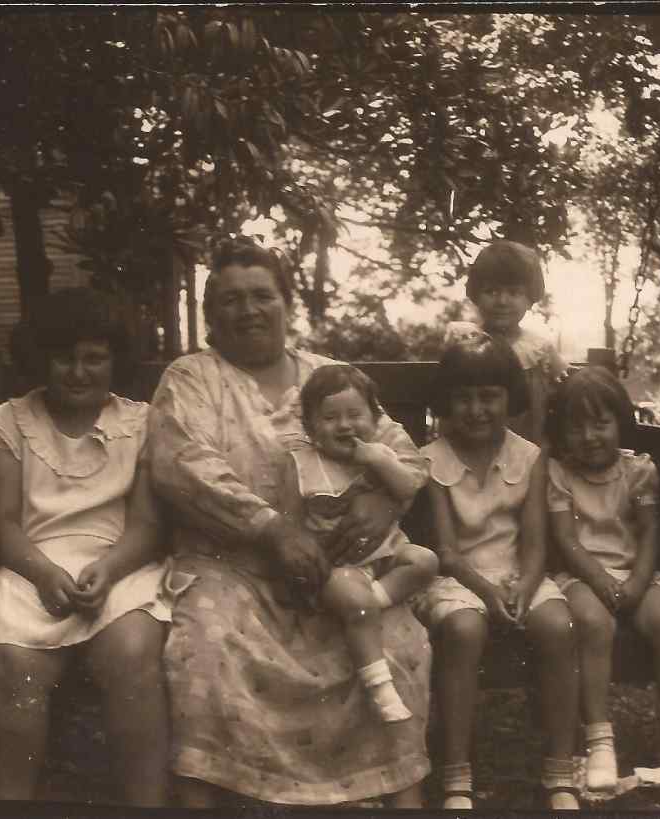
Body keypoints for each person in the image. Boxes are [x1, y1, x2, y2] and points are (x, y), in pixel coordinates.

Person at [148, 238, 433, 808]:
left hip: (341, 572)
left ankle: (401, 799)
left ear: (286, 303)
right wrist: (273, 529)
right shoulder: (191, 379)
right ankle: (209, 800)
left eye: (262, 296)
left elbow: (401, 450)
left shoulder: (329, 376)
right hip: (235, 568)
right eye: (230, 300)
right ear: (210, 316)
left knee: (398, 638)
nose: (248, 310)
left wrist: (384, 502)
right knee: (205, 643)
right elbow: (183, 466)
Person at [0, 287, 176, 806]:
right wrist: (42, 573)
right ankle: (7, 803)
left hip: (120, 564)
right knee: (18, 671)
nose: (79, 371)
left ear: (115, 360)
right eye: (64, 357)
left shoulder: (139, 423)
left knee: (133, 657)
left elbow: (147, 525)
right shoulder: (12, 421)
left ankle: (146, 805)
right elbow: (2, 523)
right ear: (42, 358)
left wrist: (109, 568)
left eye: (95, 358)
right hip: (31, 566)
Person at [414, 334, 580, 811]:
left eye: (489, 396)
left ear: (509, 398)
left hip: (517, 573)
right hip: (459, 579)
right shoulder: (434, 459)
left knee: (556, 625)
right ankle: (457, 772)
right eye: (463, 397)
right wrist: (487, 593)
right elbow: (446, 550)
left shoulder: (528, 456)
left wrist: (525, 587)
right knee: (464, 630)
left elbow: (534, 540)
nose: (476, 409)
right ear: (446, 402)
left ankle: (560, 768)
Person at [546, 366, 660, 796]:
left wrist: (640, 583)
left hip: (634, 571)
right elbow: (567, 541)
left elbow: (649, 532)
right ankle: (600, 742)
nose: (590, 436)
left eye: (600, 423)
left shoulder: (638, 470)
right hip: (582, 573)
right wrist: (601, 581)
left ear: (620, 422)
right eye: (577, 427)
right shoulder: (559, 474)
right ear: (561, 433)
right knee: (594, 624)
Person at [282, 364, 439, 723]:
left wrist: (380, 461)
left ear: (374, 418)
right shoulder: (302, 464)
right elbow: (292, 522)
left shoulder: (380, 454)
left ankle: (371, 604)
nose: (345, 425)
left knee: (425, 561)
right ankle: (381, 689)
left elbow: (407, 489)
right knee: (355, 598)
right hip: (340, 565)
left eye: (355, 415)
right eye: (330, 418)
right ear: (310, 428)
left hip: (386, 554)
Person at [446, 240, 566, 445]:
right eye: (491, 291)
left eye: (514, 292)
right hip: (467, 445)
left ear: (530, 298)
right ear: (476, 295)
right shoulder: (465, 338)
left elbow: (567, 381)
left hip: (526, 450)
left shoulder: (538, 348)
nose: (502, 301)